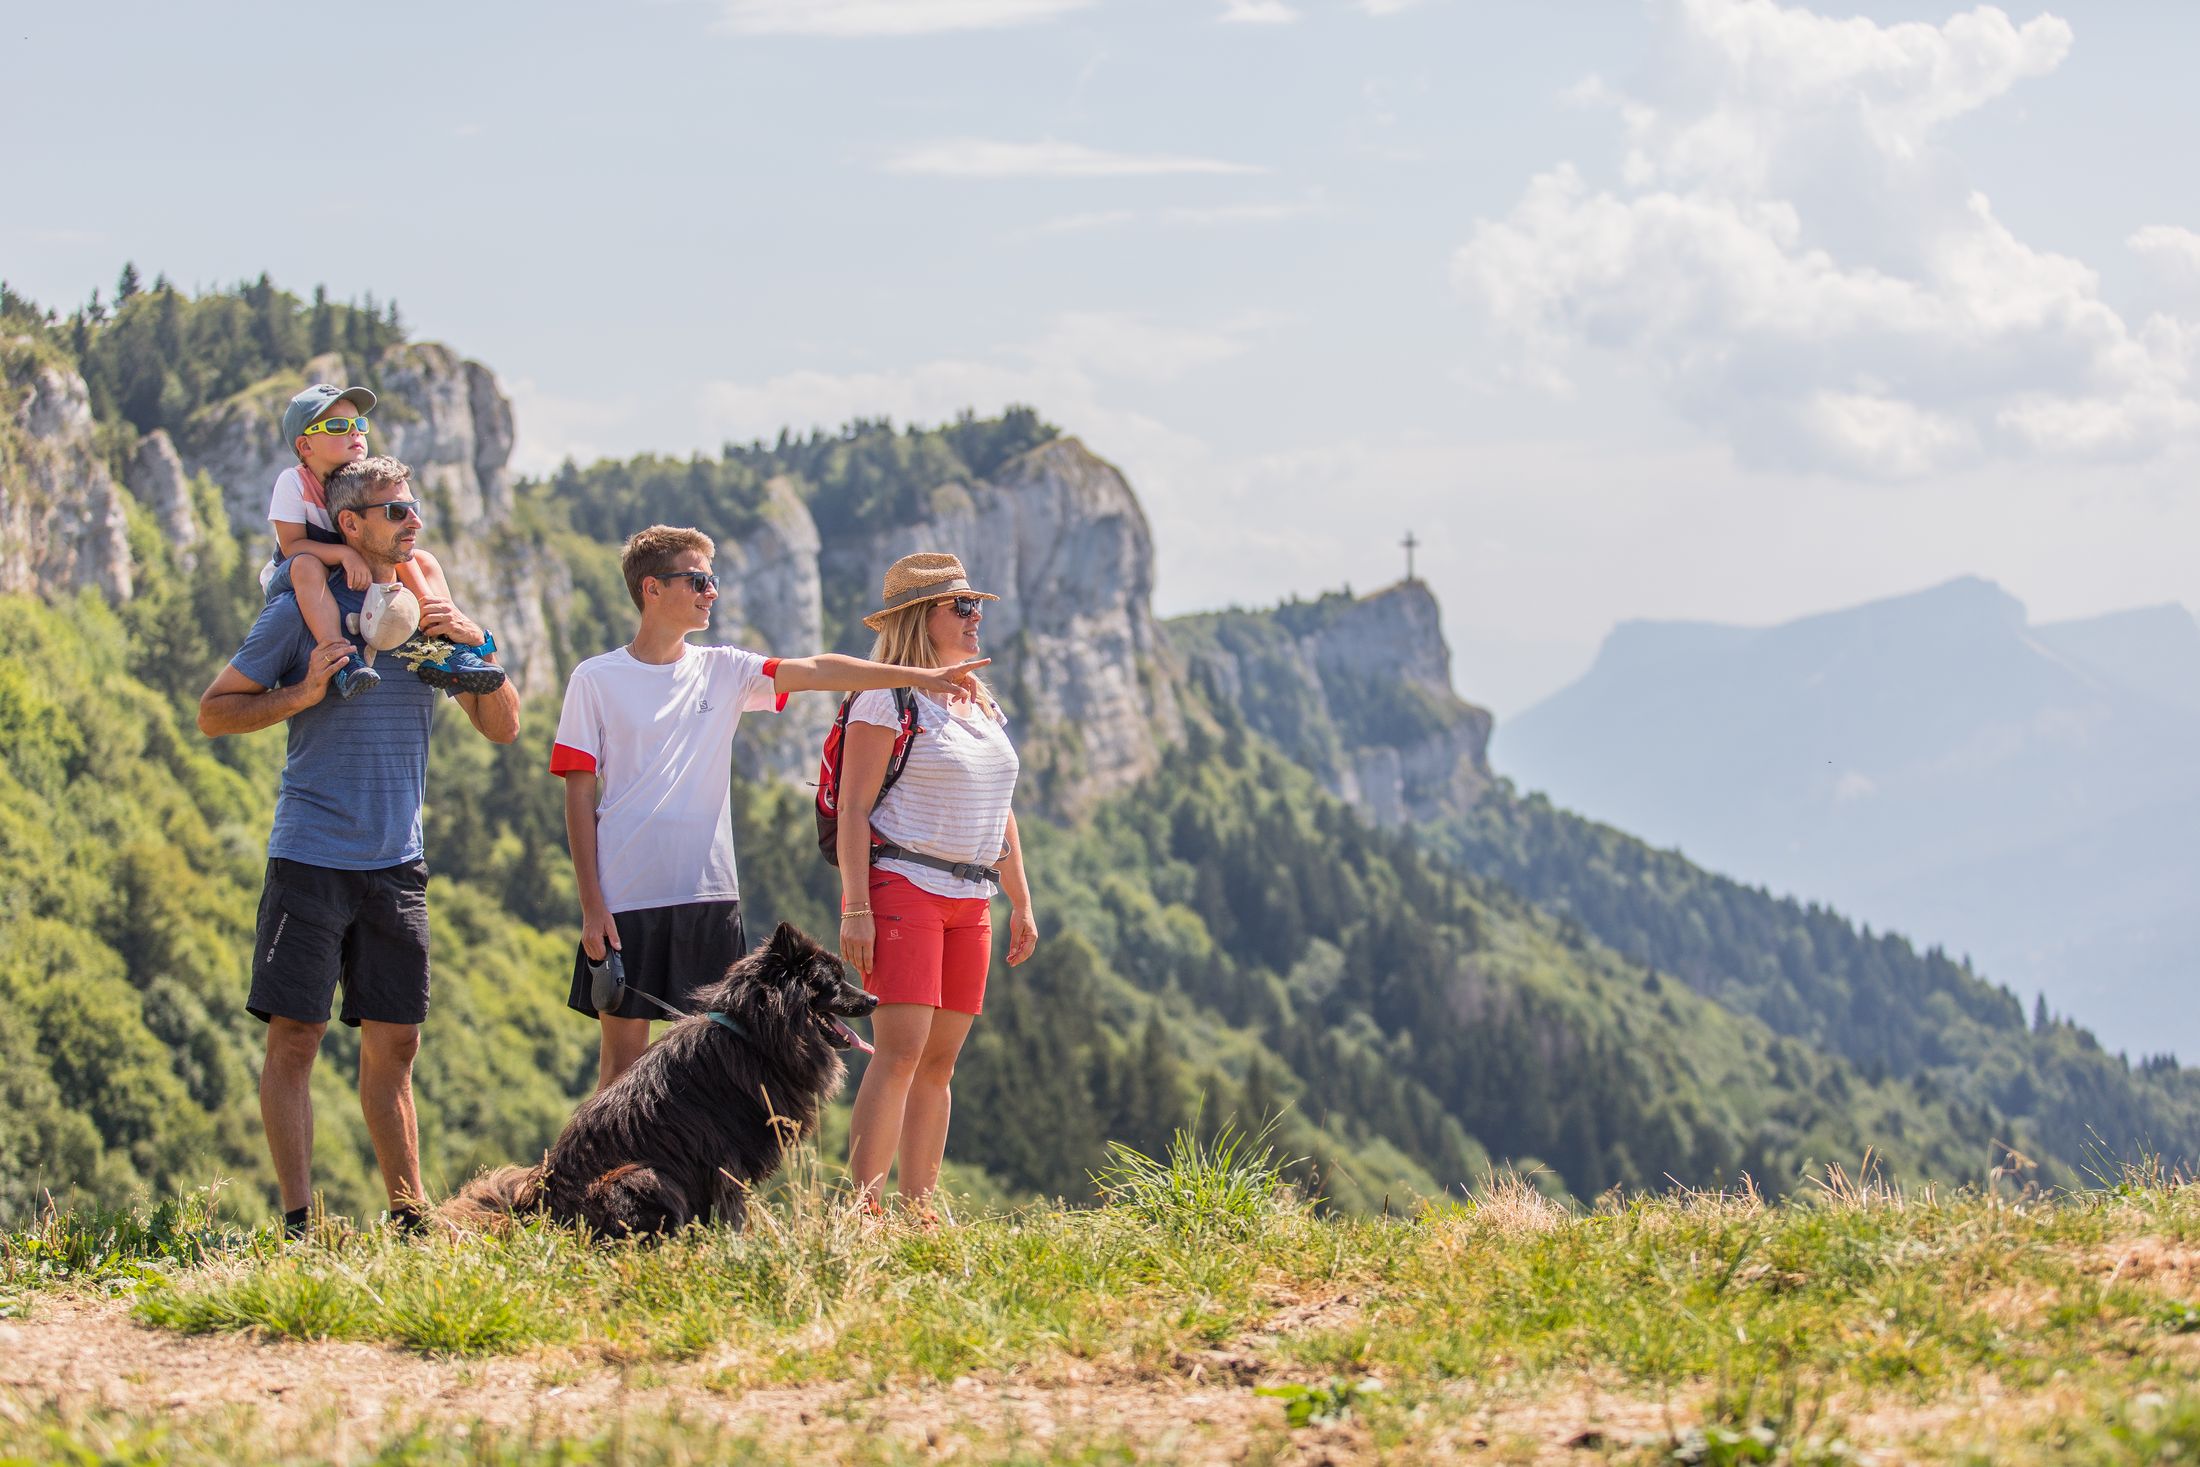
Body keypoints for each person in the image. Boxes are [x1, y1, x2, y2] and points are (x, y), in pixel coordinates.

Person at [199, 454, 521, 1236]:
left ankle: (410, 1221)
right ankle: (300, 1224)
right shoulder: (301, 611)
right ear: (350, 525)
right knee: (295, 1036)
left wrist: (476, 649)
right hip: (310, 851)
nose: (413, 522)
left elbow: (505, 726)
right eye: (395, 510)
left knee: (398, 1043)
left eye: (414, 508)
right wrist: (304, 690)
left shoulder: (429, 605)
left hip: (395, 861)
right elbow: (215, 712)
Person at [551, 526, 989, 1091]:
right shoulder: (595, 679)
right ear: (652, 588)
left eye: (714, 581)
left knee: (705, 1071)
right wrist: (592, 906)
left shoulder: (724, 668)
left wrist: (922, 676)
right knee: (622, 1068)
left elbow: (818, 670)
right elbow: (579, 794)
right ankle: (600, 1178)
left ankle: (692, 1179)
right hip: (627, 897)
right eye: (700, 580)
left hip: (711, 896)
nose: (713, 592)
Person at [838, 553, 1038, 1218]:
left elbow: (998, 805)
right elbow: (853, 809)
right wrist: (857, 906)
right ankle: (862, 1213)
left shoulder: (980, 700)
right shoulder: (883, 697)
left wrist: (1020, 898)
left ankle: (921, 1210)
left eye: (976, 604)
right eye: (962, 606)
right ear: (922, 618)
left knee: (940, 1062)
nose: (977, 616)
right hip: (904, 887)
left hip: (971, 896)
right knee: (898, 1054)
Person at [262, 383, 505, 698]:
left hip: (342, 564)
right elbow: (293, 546)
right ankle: (340, 658)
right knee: (308, 565)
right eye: (338, 426)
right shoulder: (294, 482)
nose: (354, 433)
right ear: (306, 447)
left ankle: (443, 650)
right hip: (296, 569)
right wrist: (342, 555)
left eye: (359, 425)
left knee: (410, 556)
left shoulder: (360, 479)